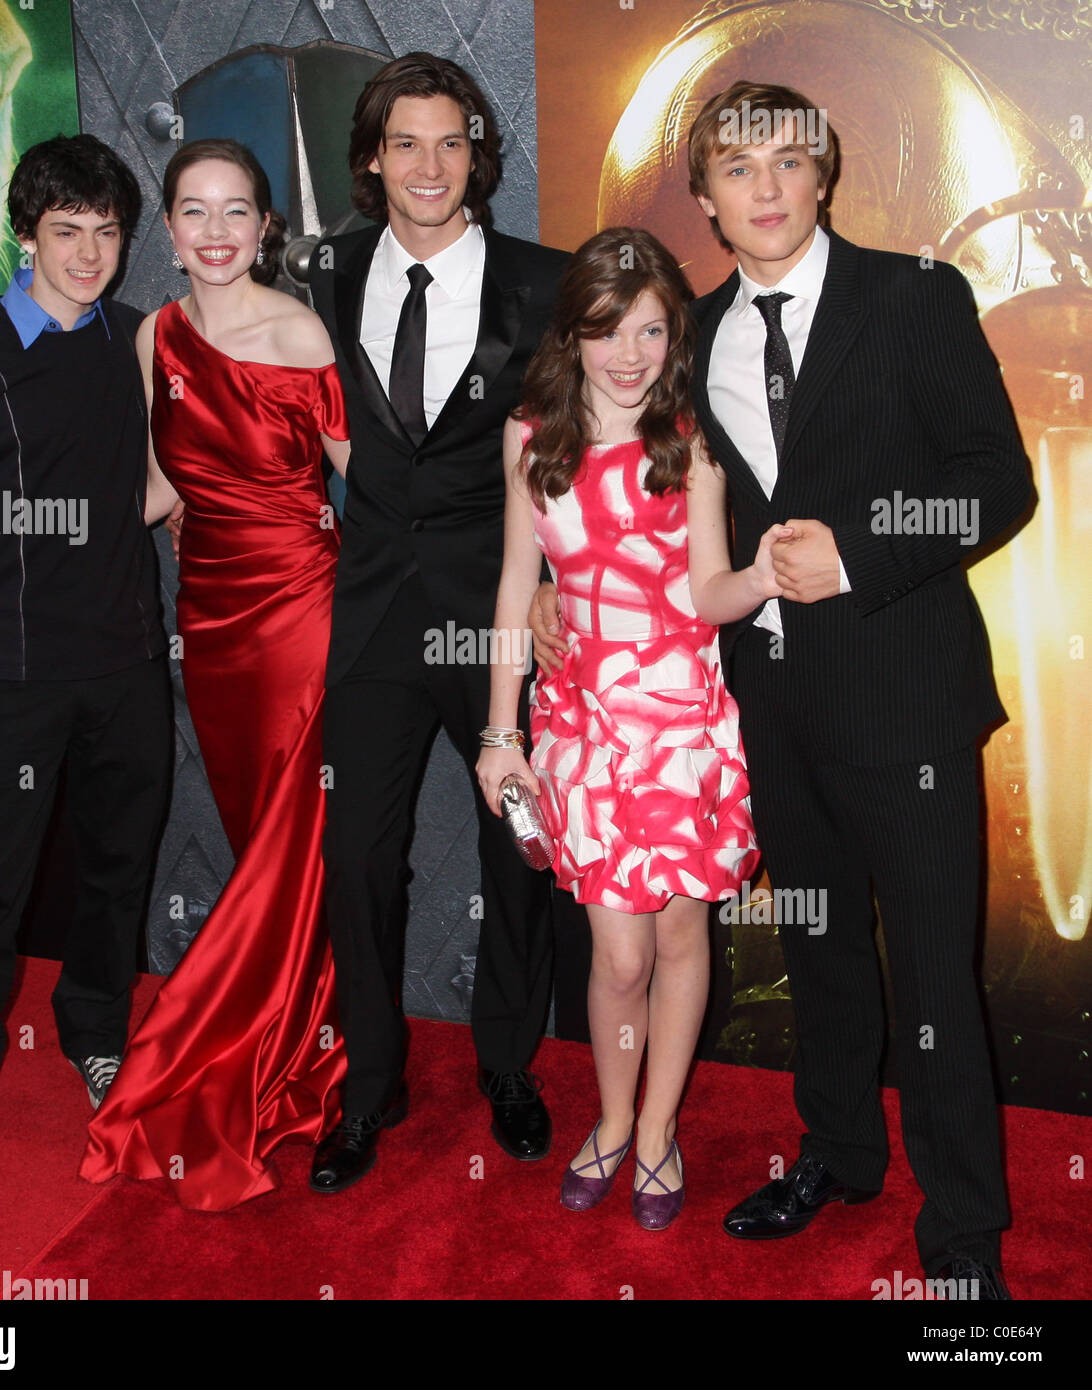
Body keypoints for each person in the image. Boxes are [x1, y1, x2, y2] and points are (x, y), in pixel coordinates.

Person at [532, 82, 1033, 1292]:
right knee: (818, 952)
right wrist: (553, 590)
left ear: (824, 175)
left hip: (905, 696)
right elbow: (616, 494)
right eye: (736, 169)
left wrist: (858, 550)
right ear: (703, 198)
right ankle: (840, 1154)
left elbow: (996, 481)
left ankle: (963, 1232)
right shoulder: (683, 336)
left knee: (933, 971)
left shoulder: (913, 296)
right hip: (763, 704)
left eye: (786, 162)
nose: (764, 188)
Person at [306, 53, 573, 1195]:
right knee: (359, 858)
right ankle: (370, 1084)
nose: (430, 165)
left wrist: (559, 573)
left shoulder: (545, 281)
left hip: (500, 608)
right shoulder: (324, 271)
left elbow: (585, 438)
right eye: (405, 143)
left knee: (518, 845)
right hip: (369, 610)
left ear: (478, 154)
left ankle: (509, 1064)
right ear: (372, 158)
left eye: (451, 142)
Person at [477, 228, 768, 1229]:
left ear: (674, 334)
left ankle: (655, 1131)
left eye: (651, 330)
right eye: (608, 330)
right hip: (586, 725)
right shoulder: (531, 438)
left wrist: (763, 577)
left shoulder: (689, 442)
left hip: (681, 724)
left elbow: (710, 590)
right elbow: (516, 586)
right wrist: (499, 736)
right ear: (574, 332)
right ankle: (610, 1114)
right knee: (619, 957)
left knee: (681, 936)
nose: (630, 353)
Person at [79, 139, 350, 1210]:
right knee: (258, 841)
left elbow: (367, 482)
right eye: (194, 211)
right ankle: (299, 1035)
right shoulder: (157, 334)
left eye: (237, 210)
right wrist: (51, 531)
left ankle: (285, 1054)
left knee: (292, 847)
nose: (217, 231)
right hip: (211, 622)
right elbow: (160, 486)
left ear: (266, 226)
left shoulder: (300, 333)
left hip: (301, 616)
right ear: (169, 228)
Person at [0, 134, 171, 1166]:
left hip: (126, 662)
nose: (89, 254)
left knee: (118, 868)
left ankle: (96, 1035)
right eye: (67, 232)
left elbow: (183, 464)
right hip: (9, 673)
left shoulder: (139, 343)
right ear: (26, 234)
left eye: (107, 232)